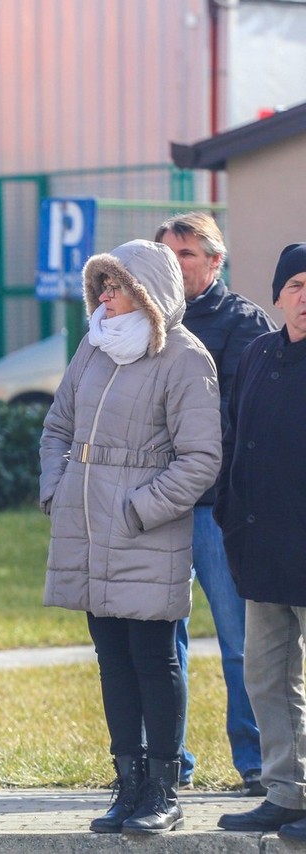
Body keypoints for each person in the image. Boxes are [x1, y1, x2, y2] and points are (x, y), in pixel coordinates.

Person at [40, 240, 220, 835]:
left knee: (153, 658)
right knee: (111, 658)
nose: (105, 297)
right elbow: (57, 425)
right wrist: (57, 491)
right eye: (102, 286)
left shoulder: (185, 358)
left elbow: (199, 458)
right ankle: (129, 783)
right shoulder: (93, 347)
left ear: (148, 291)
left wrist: (138, 510)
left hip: (144, 532)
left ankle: (164, 790)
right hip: (88, 529)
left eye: (116, 286)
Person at [155, 212, 273, 794]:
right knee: (160, 643)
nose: (174, 265)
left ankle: (255, 763)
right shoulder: (139, 320)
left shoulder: (244, 323)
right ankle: (165, 763)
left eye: (186, 255)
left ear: (215, 262)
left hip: (217, 510)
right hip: (155, 510)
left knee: (240, 642)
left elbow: (245, 421)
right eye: (166, 254)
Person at [216, 243, 306, 842]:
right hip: (263, 547)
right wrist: (230, 513)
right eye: (296, 285)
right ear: (277, 296)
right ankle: (287, 791)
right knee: (266, 677)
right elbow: (234, 439)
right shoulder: (257, 354)